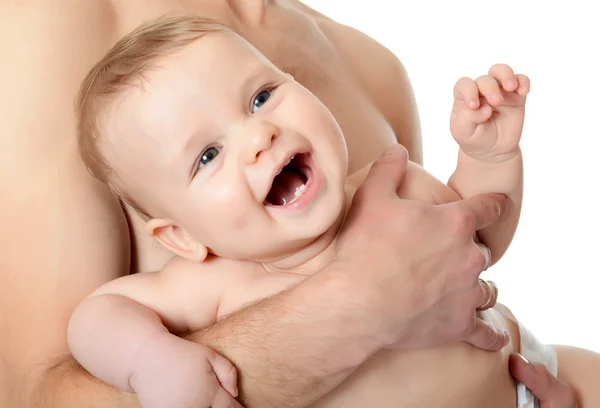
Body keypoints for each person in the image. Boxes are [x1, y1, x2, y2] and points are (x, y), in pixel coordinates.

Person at [0, 1, 578, 407]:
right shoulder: (213, 281)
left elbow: (473, 243)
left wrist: (492, 158)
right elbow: (74, 349)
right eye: (207, 156)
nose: (259, 138)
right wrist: (149, 360)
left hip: (525, 386)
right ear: (179, 236)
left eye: (261, 97)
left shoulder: (380, 112)